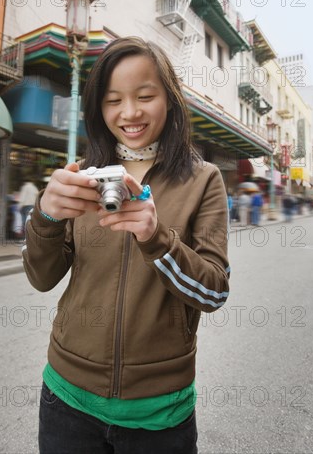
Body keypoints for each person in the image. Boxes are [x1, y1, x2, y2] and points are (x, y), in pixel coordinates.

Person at [22, 37, 230, 454]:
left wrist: (157, 239)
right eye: (113, 100)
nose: (130, 113)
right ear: (99, 108)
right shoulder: (82, 175)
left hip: (159, 411)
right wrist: (45, 215)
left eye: (145, 96)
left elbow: (213, 291)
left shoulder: (203, 179)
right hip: (66, 398)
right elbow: (41, 278)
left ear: (169, 100)